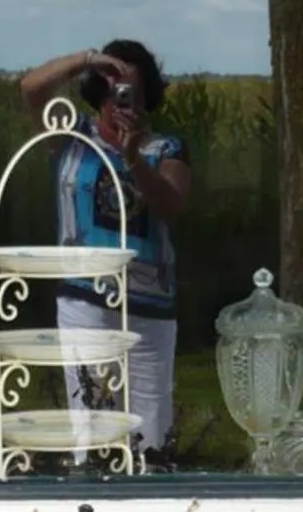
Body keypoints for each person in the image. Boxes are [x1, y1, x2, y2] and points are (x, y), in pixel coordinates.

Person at [18, 40, 191, 459]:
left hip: (148, 305)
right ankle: (93, 505)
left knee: (150, 429)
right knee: (92, 421)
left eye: (131, 88)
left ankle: (152, 505)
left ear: (147, 93)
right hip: (85, 298)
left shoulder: (166, 149)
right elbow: (30, 89)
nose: (121, 97)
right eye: (113, 86)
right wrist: (86, 59)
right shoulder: (73, 135)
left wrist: (134, 159)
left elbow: (171, 205)